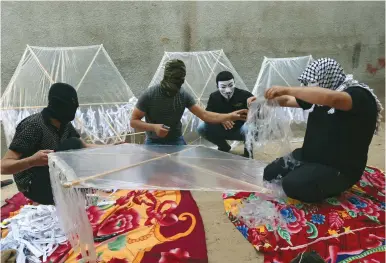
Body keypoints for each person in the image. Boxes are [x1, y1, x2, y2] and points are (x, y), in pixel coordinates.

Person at [248, 58, 383, 203]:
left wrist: (288, 89)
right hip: (311, 155)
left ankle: (330, 186)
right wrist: (262, 101)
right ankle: (310, 174)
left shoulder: (357, 95)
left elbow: (332, 99)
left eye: (311, 85)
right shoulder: (320, 96)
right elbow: (287, 101)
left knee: (292, 185)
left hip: (339, 167)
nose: (307, 89)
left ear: (326, 79)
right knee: (270, 174)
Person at [1, 83, 102, 205]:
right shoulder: (33, 126)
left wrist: (115, 147)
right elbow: (3, 166)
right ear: (58, 104)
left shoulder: (64, 124)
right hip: (32, 183)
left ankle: (70, 193)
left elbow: (83, 146)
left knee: (74, 145)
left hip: (53, 174)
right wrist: (32, 161)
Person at [130, 59, 248, 145]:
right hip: (153, 141)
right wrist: (153, 127)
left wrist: (230, 116)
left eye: (178, 82)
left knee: (185, 175)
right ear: (165, 77)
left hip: (176, 139)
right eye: (173, 82)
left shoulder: (183, 94)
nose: (175, 88)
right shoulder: (150, 95)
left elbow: (205, 115)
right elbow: (133, 121)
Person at [197, 71, 254, 158]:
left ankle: (248, 154)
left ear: (234, 83)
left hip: (241, 130)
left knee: (251, 127)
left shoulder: (245, 95)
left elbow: (258, 113)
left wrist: (255, 104)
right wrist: (221, 119)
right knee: (202, 128)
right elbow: (208, 115)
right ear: (217, 87)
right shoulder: (214, 97)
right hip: (221, 130)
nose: (228, 90)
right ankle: (223, 147)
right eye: (223, 87)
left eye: (231, 85)